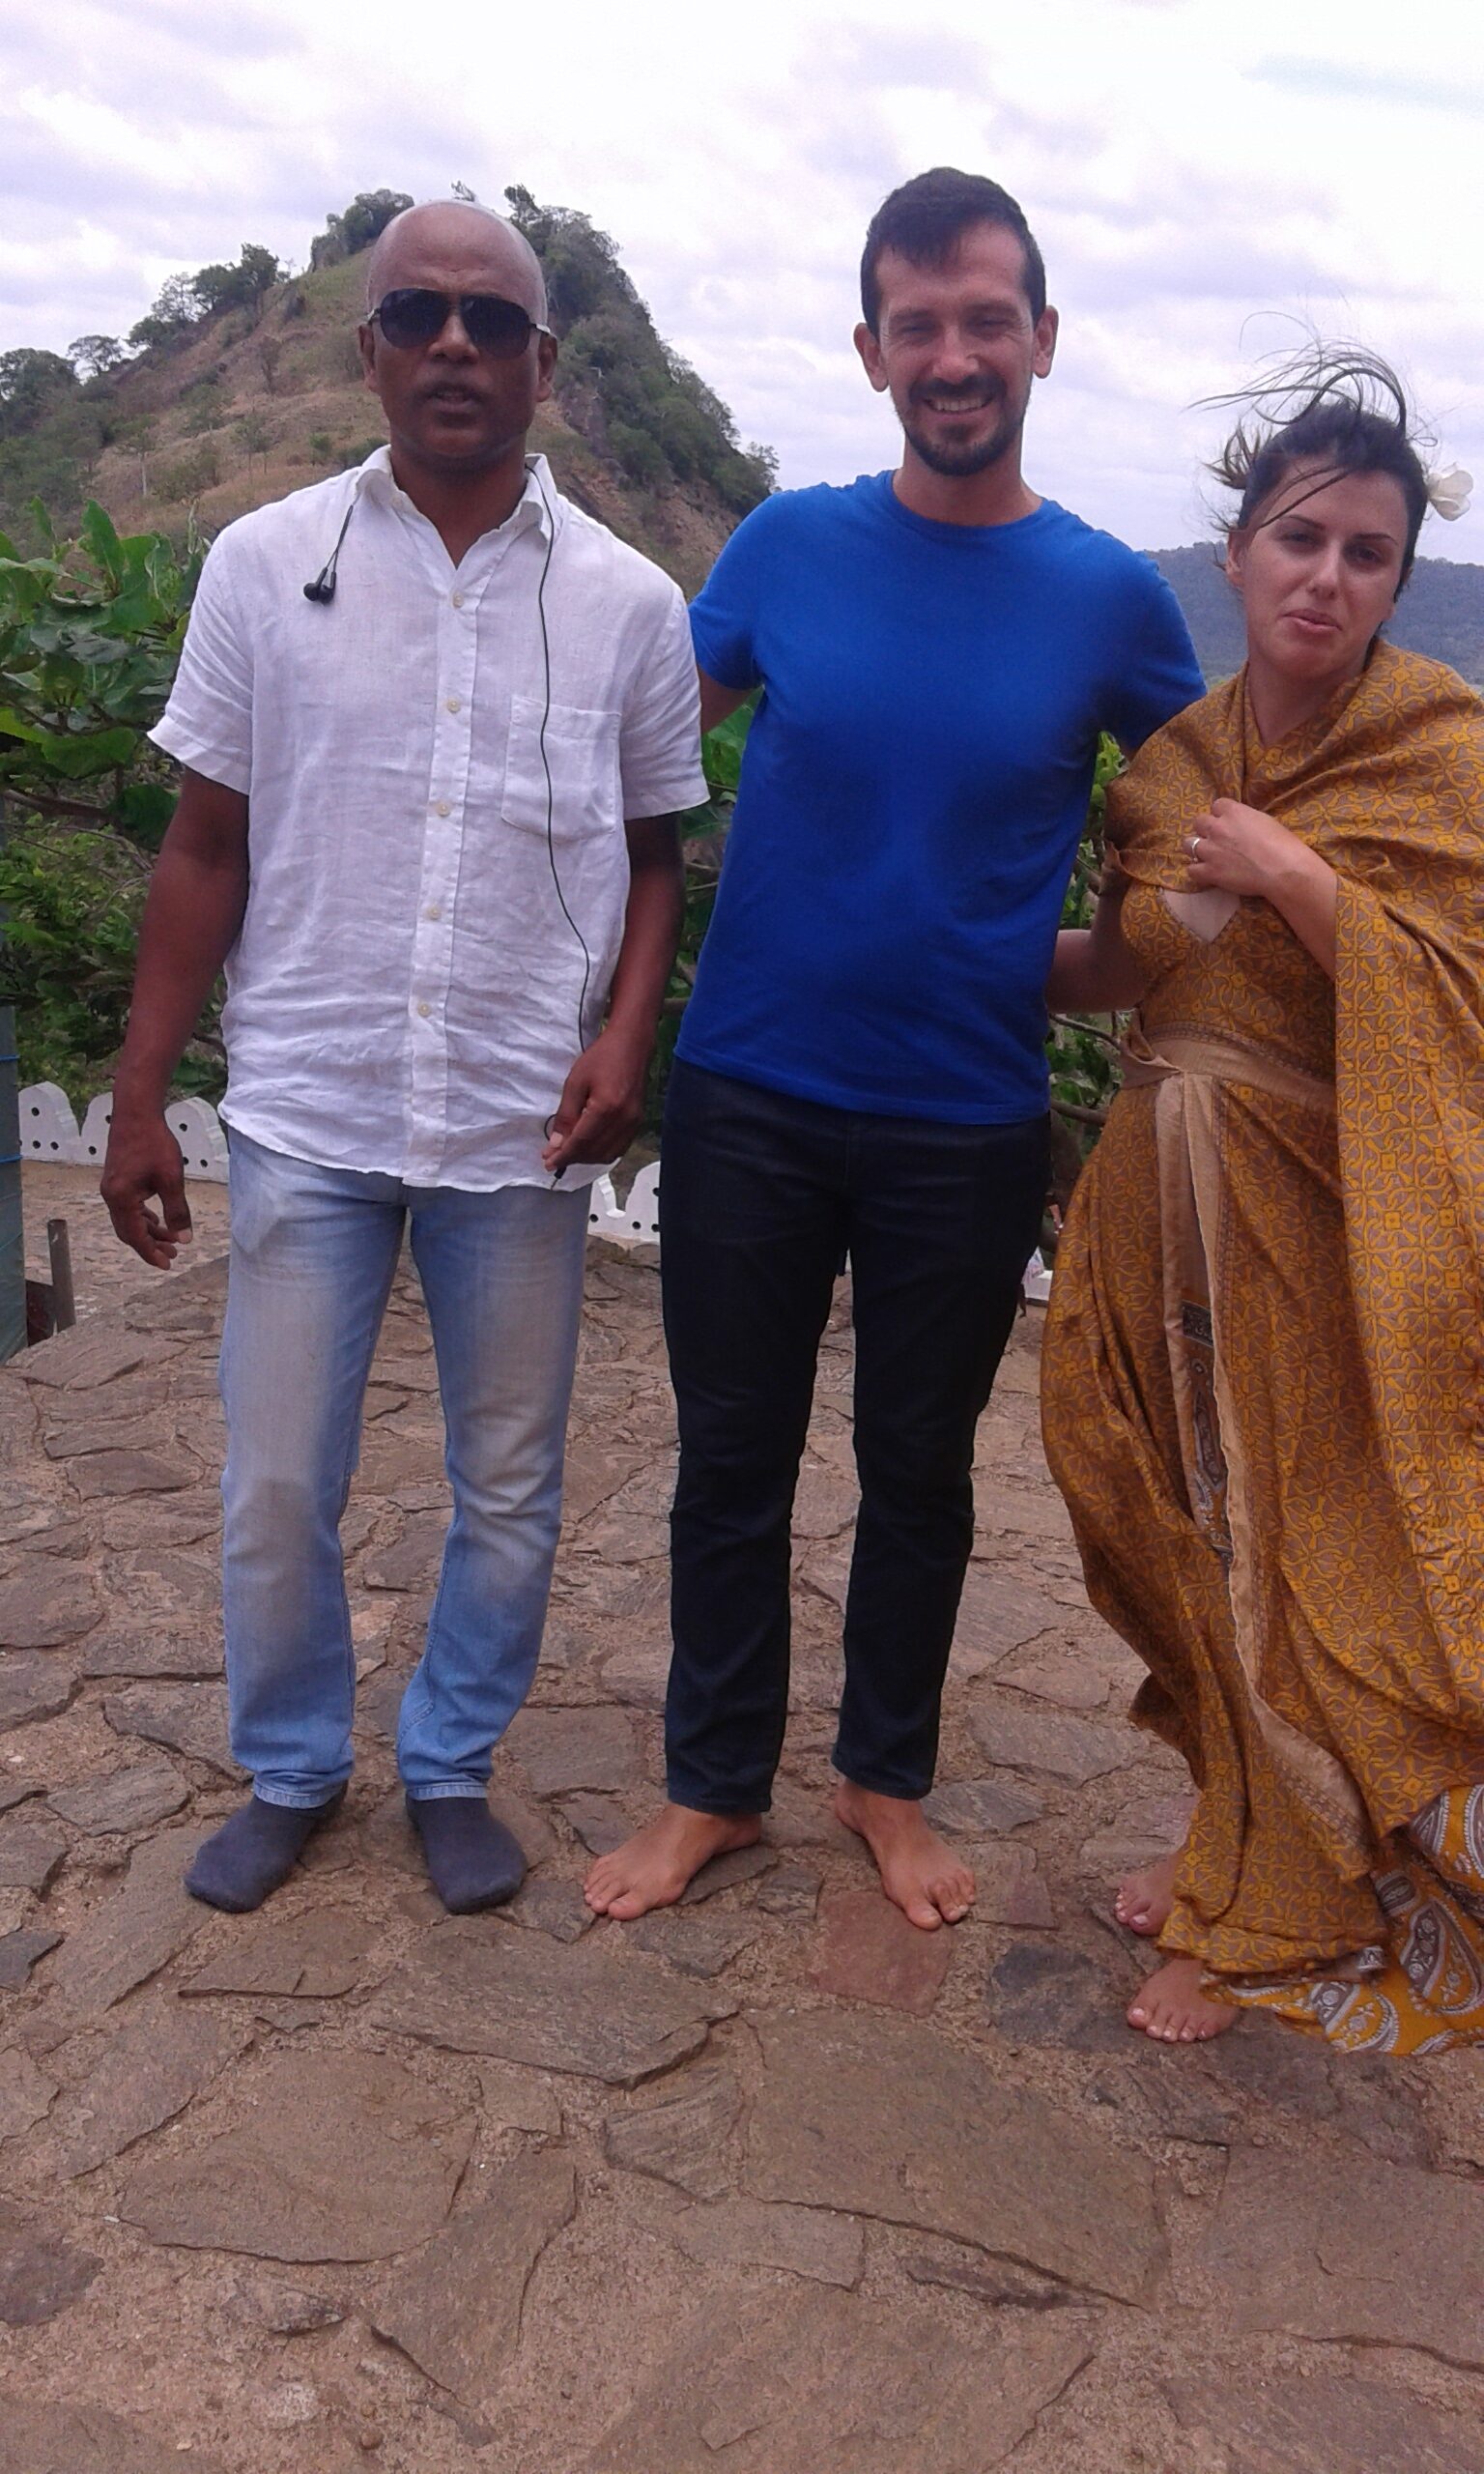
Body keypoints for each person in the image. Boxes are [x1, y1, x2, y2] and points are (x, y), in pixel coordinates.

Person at [585, 166, 1203, 1930]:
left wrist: (1088, 967)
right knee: (732, 1456)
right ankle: (715, 1787)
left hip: (965, 1117)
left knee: (919, 1472)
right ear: (870, 352)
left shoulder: (1109, 600)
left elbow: (1203, 829)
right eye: (918, 324)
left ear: (1042, 339)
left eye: (986, 319)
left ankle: (882, 1780)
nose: (954, 355)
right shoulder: (786, 547)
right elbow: (631, 759)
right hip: (753, 1092)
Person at [102, 201, 704, 1915]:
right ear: (368, 348)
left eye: (491, 320)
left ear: (544, 363)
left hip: (519, 1114)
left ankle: (449, 1761)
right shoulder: (262, 563)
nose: (456, 343)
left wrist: (626, 1036)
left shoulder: (627, 604)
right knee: (278, 1476)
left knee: (507, 1484)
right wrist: (139, 1094)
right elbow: (202, 843)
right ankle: (293, 1765)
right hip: (312, 1097)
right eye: (420, 313)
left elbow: (658, 856)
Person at [1041, 350, 1484, 2050]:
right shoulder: (1168, 766)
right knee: (1157, 1514)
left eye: (1368, 554)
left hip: (1318, 1231)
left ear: (1399, 579)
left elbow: (1460, 999)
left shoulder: (1439, 753)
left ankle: (1273, 1915)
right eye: (1301, 539)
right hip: (1149, 1204)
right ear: (1236, 553)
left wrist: (1298, 877)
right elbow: (1125, 970)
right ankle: (1231, 1821)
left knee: (1282, 1559)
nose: (1328, 578)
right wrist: (936, 948)